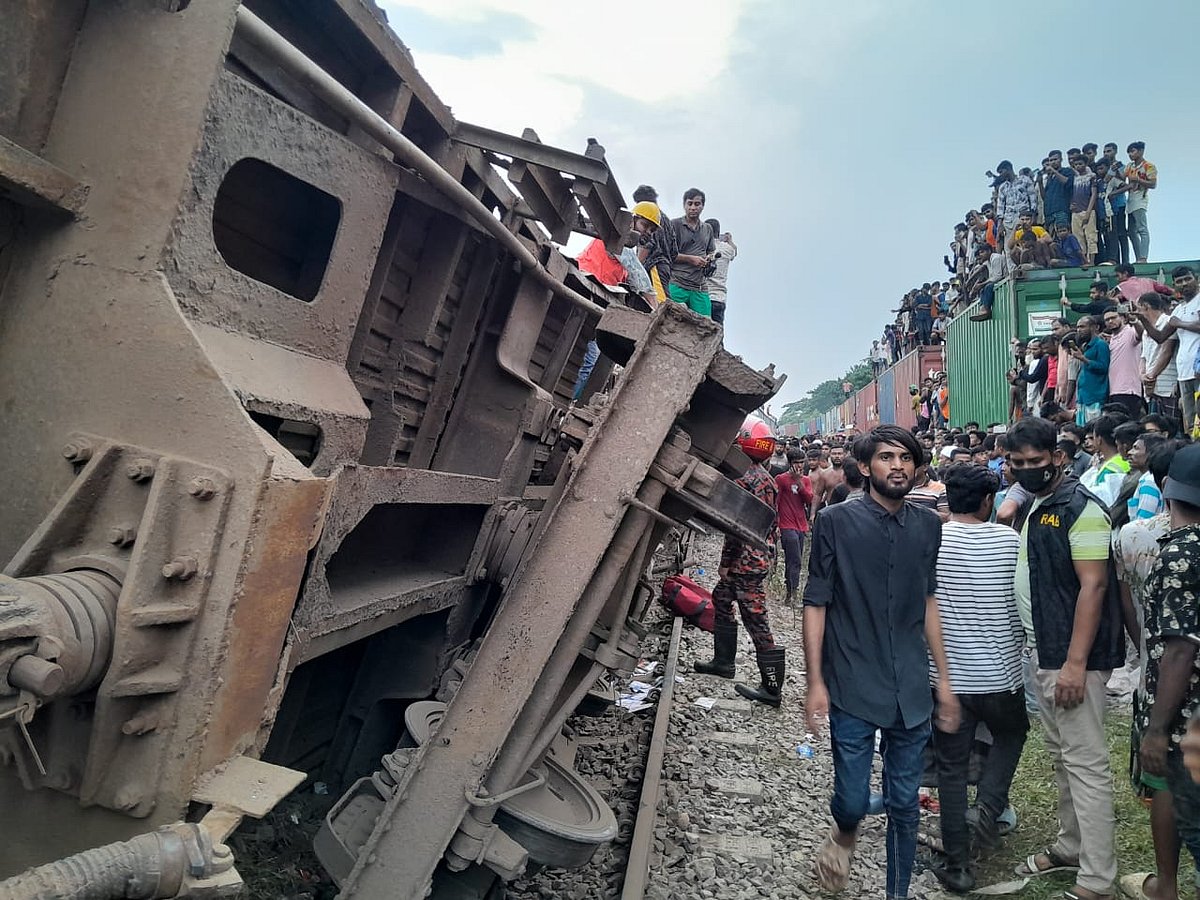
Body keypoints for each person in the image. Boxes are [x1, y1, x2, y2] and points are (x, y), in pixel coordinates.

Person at [805, 426, 958, 900]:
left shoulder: (930, 525)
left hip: (910, 686)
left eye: (906, 458)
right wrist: (814, 683)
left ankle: (897, 893)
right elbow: (816, 603)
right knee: (851, 800)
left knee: (904, 804)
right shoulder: (835, 522)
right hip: (851, 680)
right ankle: (845, 831)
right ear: (867, 467)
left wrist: (946, 683)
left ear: (918, 467)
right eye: (887, 457)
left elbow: (929, 601)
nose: (898, 466)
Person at [1006, 417, 1123, 900]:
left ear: (1058, 457)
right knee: (1063, 757)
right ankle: (1072, 845)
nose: (1028, 469)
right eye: (1019, 463)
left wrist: (1075, 663)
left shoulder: (1080, 509)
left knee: (1086, 764)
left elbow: (1093, 587)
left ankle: (1097, 879)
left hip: (1071, 657)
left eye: (1037, 461)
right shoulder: (1040, 503)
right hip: (1045, 650)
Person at [930, 464, 1028, 893]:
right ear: (989, 502)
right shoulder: (1011, 542)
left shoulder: (933, 542)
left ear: (949, 498)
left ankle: (958, 865)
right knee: (1011, 735)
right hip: (1001, 676)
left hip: (948, 680)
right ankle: (987, 811)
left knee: (951, 768)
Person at [1135, 445, 1200, 900]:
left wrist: (1157, 731)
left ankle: (1168, 887)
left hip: (1186, 721)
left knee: (1192, 818)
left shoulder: (1180, 554)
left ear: (1165, 491)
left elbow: (1179, 650)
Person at [1114, 446, 1177, 900]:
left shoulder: (1132, 536)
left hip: (1156, 668)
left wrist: (1143, 649)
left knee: (1167, 780)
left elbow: (1126, 606)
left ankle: (1165, 883)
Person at [694, 417, 785, 708]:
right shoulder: (764, 478)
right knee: (721, 598)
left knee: (756, 620)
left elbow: (738, 527)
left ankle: (771, 688)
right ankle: (723, 662)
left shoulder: (744, 479)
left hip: (748, 561)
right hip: (753, 559)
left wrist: (727, 561)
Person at [1138, 267, 1200, 435]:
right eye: (1179, 281)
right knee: (1191, 424)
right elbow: (1160, 337)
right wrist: (1142, 319)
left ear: (1196, 279)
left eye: (1188, 279)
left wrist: (1179, 323)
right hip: (1184, 373)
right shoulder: (1179, 309)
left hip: (1198, 371)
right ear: (1174, 285)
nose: (1184, 284)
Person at [668, 188, 715, 317]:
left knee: (706, 326)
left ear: (702, 206)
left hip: (699, 286)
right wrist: (690, 259)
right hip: (677, 282)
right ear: (684, 205)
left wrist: (709, 259)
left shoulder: (707, 229)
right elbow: (667, 254)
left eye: (697, 204)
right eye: (690, 204)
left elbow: (710, 250)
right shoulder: (674, 225)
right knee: (670, 321)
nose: (693, 207)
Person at [775, 448, 813, 607]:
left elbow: (809, 499)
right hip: (786, 524)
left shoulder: (805, 480)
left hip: (801, 525)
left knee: (795, 561)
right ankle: (791, 594)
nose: (799, 466)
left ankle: (791, 592)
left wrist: (800, 484)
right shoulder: (781, 479)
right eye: (796, 463)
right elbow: (775, 501)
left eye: (801, 463)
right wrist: (776, 524)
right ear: (790, 464)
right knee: (795, 559)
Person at [1136, 292, 1181, 424]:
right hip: (1152, 389)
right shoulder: (1146, 330)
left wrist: (1150, 377)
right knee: (1154, 431)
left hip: (1168, 387)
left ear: (1145, 306)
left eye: (1138, 308)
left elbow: (1167, 352)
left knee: (1171, 430)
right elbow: (1143, 357)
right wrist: (1142, 375)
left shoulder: (1168, 322)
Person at [632, 185, 677, 302]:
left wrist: (636, 268)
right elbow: (674, 252)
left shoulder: (651, 219)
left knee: (660, 303)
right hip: (665, 267)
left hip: (654, 266)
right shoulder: (666, 220)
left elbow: (647, 245)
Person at [1119, 142, 1157, 263]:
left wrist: (1138, 180)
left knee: (1142, 229)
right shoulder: (1130, 166)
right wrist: (1115, 170)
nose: (1131, 154)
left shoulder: (1148, 166)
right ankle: (1138, 257)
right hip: (1130, 201)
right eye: (1129, 152)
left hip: (1140, 199)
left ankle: (1143, 257)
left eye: (1133, 151)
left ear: (1141, 151)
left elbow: (1153, 184)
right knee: (1131, 231)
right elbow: (1122, 176)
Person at [1103, 308, 1144, 418]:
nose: (1110, 321)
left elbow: (1141, 333)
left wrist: (1134, 321)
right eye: (1107, 319)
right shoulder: (1112, 338)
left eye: (1113, 317)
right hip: (1114, 390)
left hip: (1128, 389)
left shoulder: (1130, 331)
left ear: (1123, 318)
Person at [1073, 316, 1110, 425]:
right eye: (1078, 327)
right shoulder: (1085, 346)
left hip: (1095, 397)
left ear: (1095, 327)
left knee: (1093, 429)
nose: (1079, 330)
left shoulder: (1101, 345)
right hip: (1083, 397)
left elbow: (1103, 367)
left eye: (1082, 327)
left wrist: (1083, 359)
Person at [703, 219, 737, 325]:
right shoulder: (728, 249)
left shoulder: (702, 247)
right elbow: (735, 251)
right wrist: (729, 240)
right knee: (717, 333)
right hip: (719, 298)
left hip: (704, 297)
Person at [1068, 154, 1099, 268]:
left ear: (1085, 164)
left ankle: (1091, 262)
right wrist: (1071, 205)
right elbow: (1072, 194)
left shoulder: (1092, 176)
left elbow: (1094, 194)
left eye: (1080, 164)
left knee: (1091, 237)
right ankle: (1083, 261)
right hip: (1076, 213)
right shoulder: (1075, 178)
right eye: (1076, 164)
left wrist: (1088, 212)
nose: (1078, 166)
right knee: (1078, 237)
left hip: (1088, 211)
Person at [1101, 143, 1129, 266]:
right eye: (1105, 151)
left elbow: (1123, 181)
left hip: (1119, 204)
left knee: (1121, 234)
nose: (1107, 153)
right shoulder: (1104, 168)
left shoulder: (1121, 166)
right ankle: (1114, 260)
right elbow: (1105, 180)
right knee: (1109, 233)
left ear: (1115, 151)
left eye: (1109, 151)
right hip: (1107, 207)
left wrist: (1115, 169)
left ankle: (1126, 261)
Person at [995, 161, 1037, 236]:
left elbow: (1033, 199)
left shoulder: (1025, 180)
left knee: (1024, 243)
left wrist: (1033, 217)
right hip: (1008, 222)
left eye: (1001, 172)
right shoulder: (1003, 187)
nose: (1000, 175)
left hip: (1023, 218)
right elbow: (1000, 208)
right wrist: (1000, 225)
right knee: (1010, 246)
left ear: (1008, 169)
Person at [1041, 150, 1075, 230]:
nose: (1053, 162)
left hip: (1062, 210)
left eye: (1055, 159)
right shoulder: (1049, 178)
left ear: (1061, 159)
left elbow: (1067, 182)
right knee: (1053, 240)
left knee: (1064, 235)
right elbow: (1045, 197)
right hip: (1049, 212)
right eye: (1051, 160)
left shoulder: (1067, 171)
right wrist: (1039, 183)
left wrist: (1054, 171)